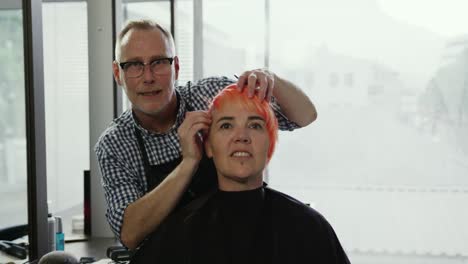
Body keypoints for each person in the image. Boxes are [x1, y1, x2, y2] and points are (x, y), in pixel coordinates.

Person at [95, 19, 317, 250]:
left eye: (159, 62)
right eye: (134, 65)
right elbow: (130, 234)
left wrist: (271, 79)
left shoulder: (211, 96)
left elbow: (305, 116)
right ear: (117, 73)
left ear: (176, 67)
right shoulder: (114, 144)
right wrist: (189, 162)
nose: (148, 77)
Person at [130, 84, 350, 264]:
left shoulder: (310, 229)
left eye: (255, 126)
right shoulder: (177, 235)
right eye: (226, 126)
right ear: (208, 147)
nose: (241, 136)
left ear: (270, 145)